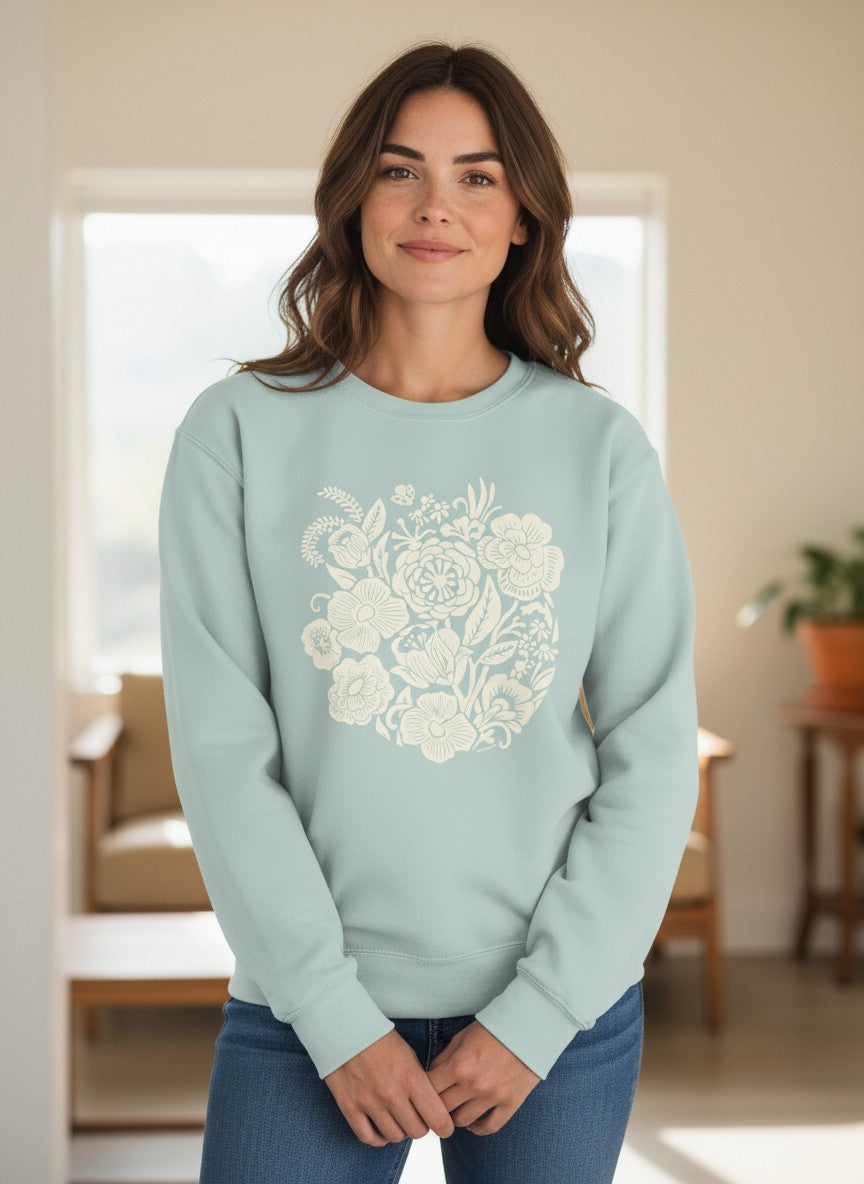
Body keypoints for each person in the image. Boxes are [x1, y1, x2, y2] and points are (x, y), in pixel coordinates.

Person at [158, 38, 699, 1184]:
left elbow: (652, 748)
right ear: (354, 196)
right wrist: (331, 1011)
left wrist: (544, 1007)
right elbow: (220, 750)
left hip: (553, 1017)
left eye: (478, 175)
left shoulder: (598, 446)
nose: (435, 207)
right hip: (307, 1013)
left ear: (523, 216)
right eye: (401, 169)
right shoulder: (238, 430)